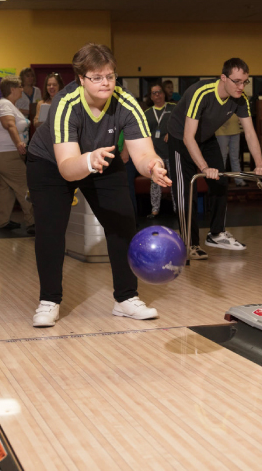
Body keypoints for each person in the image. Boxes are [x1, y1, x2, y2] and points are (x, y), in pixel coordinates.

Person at [26, 43, 171, 327]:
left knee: (122, 223)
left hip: (101, 158)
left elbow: (143, 152)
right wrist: (88, 160)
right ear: (81, 78)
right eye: (97, 77)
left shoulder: (126, 103)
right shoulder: (65, 104)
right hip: (50, 163)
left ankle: (126, 299)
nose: (105, 83)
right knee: (51, 230)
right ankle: (49, 300)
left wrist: (152, 165)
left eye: (110, 76)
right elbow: (68, 168)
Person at [167, 58, 262, 259]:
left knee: (220, 181)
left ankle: (216, 233)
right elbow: (188, 137)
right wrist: (204, 167)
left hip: (206, 138)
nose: (241, 87)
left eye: (245, 82)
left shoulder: (240, 99)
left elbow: (249, 133)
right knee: (186, 193)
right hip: (180, 140)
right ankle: (190, 244)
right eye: (237, 81)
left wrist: (260, 164)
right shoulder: (201, 93)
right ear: (223, 78)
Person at [0, 76, 35, 234]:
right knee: (24, 184)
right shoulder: (5, 104)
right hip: (4, 153)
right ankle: (33, 222)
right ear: (12, 89)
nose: (22, 89)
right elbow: (9, 125)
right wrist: (18, 143)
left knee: (6, 187)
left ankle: (3, 221)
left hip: (3, 152)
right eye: (20, 86)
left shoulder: (8, 105)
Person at [144, 83, 177, 218]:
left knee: (174, 181)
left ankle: (177, 209)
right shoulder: (147, 113)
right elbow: (143, 134)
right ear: (151, 97)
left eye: (159, 92)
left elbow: (183, 123)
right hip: (155, 154)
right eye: (154, 93)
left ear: (164, 94)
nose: (157, 95)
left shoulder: (173, 108)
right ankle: (155, 210)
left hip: (171, 152)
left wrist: (172, 132)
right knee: (155, 182)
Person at [215, 114, 245, 187]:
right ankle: (220, 181)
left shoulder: (236, 102)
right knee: (222, 157)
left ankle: (239, 180)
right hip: (221, 131)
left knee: (235, 157)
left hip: (235, 130)